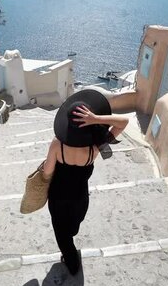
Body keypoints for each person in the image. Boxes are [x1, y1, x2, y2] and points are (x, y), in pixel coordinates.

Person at [42, 89, 129, 275]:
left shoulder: (57, 144)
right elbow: (123, 122)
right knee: (73, 225)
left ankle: (71, 261)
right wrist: (96, 119)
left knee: (61, 231)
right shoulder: (96, 146)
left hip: (58, 196)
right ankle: (70, 244)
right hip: (79, 197)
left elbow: (48, 171)